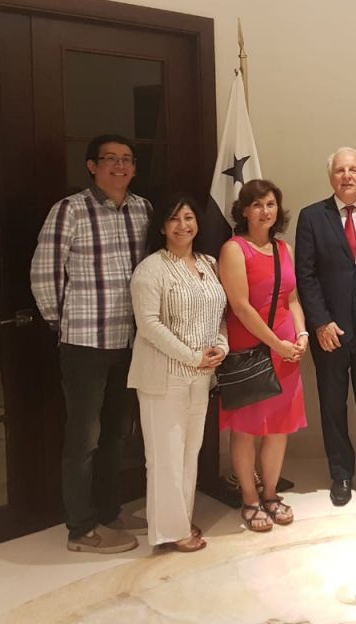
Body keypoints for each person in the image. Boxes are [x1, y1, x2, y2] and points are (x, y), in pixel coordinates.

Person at [30, 134, 151, 553]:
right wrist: (59, 321)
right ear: (92, 166)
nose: (120, 166)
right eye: (110, 158)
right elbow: (44, 272)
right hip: (85, 343)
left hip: (131, 341)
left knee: (118, 433)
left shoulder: (143, 209)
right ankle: (80, 529)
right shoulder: (70, 210)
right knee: (84, 439)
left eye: (127, 159)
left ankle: (109, 511)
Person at [295, 148, 356, 518]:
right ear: (331, 177)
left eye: (353, 170)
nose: (347, 176)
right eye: (340, 170)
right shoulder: (311, 217)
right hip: (329, 332)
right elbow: (305, 274)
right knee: (333, 406)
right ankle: (340, 474)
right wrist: (320, 322)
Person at [129, 193, 228, 552]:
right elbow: (149, 325)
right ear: (161, 227)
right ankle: (170, 532)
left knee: (189, 453)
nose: (182, 225)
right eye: (174, 219)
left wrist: (221, 346)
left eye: (188, 218)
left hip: (201, 376)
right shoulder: (150, 269)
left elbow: (220, 314)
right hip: (163, 377)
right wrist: (191, 356)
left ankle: (180, 521)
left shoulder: (209, 263)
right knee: (165, 458)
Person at [218, 179, 308, 532]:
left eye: (270, 204)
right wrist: (277, 344)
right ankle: (250, 499)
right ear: (244, 211)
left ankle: (270, 494)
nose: (265, 211)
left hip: (287, 352)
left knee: (278, 428)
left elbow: (292, 299)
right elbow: (241, 307)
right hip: (251, 350)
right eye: (257, 205)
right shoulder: (234, 249)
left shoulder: (284, 248)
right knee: (246, 429)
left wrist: (301, 334)